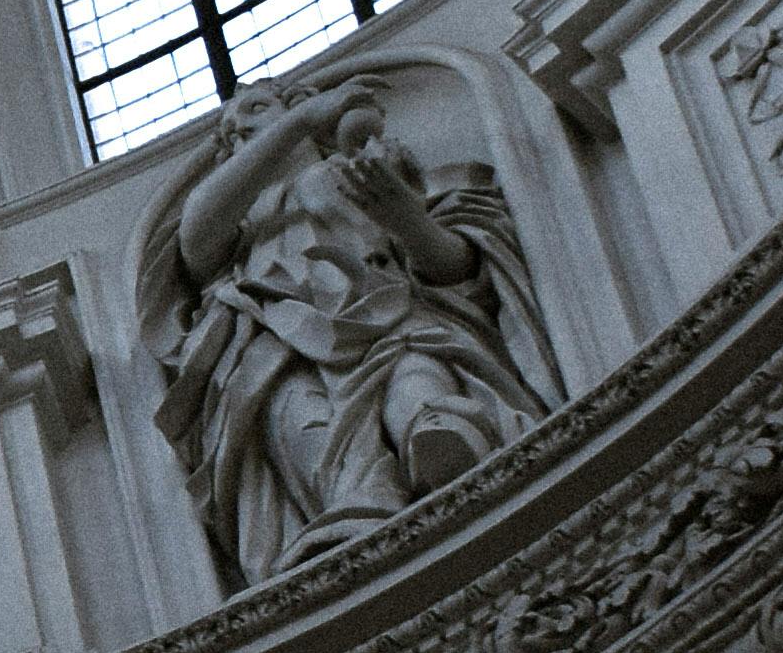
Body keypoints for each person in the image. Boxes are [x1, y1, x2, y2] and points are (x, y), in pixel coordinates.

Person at [137, 73, 556, 587]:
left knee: (416, 375)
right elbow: (197, 229)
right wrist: (299, 120)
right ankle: (352, 513)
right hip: (282, 345)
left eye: (255, 108)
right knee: (292, 411)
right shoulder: (242, 227)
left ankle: (442, 437)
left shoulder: (366, 172)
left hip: (393, 316)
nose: (235, 130)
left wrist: (406, 220)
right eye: (227, 131)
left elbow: (459, 272)